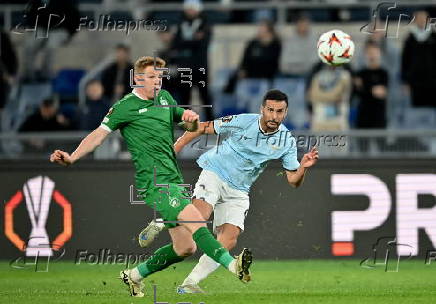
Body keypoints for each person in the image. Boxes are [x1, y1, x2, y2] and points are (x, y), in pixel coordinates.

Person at [49, 56, 252, 298]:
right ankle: (233, 265)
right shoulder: (124, 107)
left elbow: (188, 125)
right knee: (196, 222)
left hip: (173, 179)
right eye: (152, 78)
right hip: (156, 182)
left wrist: (190, 119)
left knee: (185, 247)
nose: (157, 83)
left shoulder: (165, 99)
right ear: (137, 78)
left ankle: (133, 275)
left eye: (160, 77)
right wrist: (72, 157)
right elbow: (98, 135)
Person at [139, 89, 319, 293]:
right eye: (270, 110)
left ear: (285, 113)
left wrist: (303, 168)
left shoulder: (286, 140)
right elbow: (202, 127)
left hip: (239, 190)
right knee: (199, 218)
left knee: (229, 239)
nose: (274, 116)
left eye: (279, 111)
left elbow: (293, 181)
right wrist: (175, 149)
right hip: (215, 172)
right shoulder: (244, 121)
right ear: (262, 109)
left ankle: (189, 283)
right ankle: (161, 222)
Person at [171, 0, 213, 120]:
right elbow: (176, 44)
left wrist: (186, 44)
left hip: (200, 66)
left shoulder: (205, 24)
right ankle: (186, 122)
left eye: (192, 8)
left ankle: (211, 122)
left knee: (205, 97)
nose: (190, 11)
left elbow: (203, 44)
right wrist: (193, 41)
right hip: (185, 66)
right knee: (185, 97)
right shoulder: (181, 24)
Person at [401, 10, 436, 107]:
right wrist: (405, 81)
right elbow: (405, 61)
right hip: (415, 82)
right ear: (415, 21)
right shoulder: (409, 39)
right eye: (419, 19)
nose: (421, 21)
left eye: (423, 18)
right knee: (416, 110)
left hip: (432, 82)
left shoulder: (434, 37)